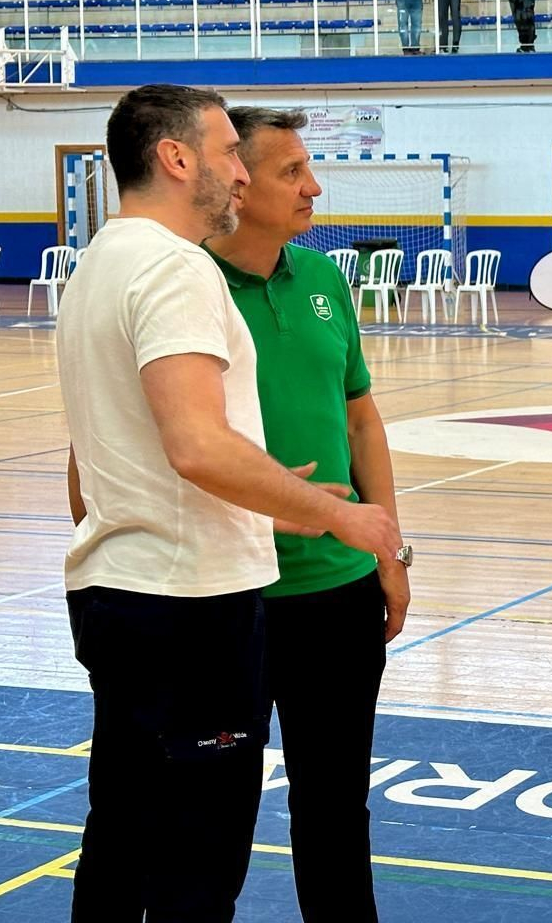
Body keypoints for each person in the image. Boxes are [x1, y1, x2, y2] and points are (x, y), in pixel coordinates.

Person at [58, 84, 400, 922]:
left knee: (128, 830)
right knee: (198, 856)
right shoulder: (176, 270)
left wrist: (293, 515)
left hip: (135, 594)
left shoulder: (101, 258)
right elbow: (197, 446)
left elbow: (138, 457)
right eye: (230, 158)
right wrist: (339, 514)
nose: (244, 180)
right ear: (181, 160)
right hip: (192, 606)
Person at [206, 106, 411, 923]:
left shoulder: (324, 280)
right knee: (212, 815)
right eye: (292, 171)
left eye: (309, 168)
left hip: (339, 590)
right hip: (227, 593)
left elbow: (361, 416)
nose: (314, 186)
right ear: (237, 180)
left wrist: (388, 545)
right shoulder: (184, 285)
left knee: (335, 808)